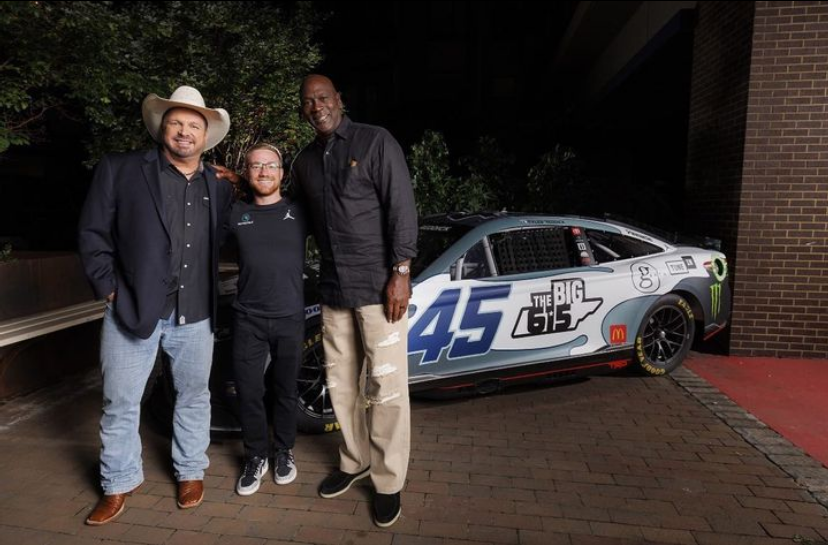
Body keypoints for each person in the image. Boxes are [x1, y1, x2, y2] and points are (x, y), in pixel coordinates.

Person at [78, 85, 234, 525]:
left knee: (193, 396)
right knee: (120, 402)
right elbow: (93, 233)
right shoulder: (121, 169)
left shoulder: (217, 186)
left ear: (205, 136)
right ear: (162, 128)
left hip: (195, 312)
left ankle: (189, 471)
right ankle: (118, 482)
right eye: (176, 123)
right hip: (131, 310)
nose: (184, 132)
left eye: (193, 126)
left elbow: (218, 238)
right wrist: (110, 289)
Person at [291, 74, 417, 527]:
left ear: (339, 100)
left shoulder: (375, 141)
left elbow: (401, 205)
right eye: (308, 101)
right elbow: (292, 216)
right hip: (333, 290)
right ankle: (354, 460)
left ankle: (387, 480)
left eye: (323, 97)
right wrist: (244, 193)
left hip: (379, 290)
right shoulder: (304, 162)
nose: (316, 106)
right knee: (341, 385)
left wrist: (400, 272)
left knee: (385, 388)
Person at [221, 143, 307, 496]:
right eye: (256, 166)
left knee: (285, 391)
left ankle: (283, 449)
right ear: (248, 172)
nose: (264, 171)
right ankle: (256, 455)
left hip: (289, 317)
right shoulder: (235, 214)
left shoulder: (301, 212)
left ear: (282, 173)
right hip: (248, 320)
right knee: (249, 392)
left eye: (271, 165)